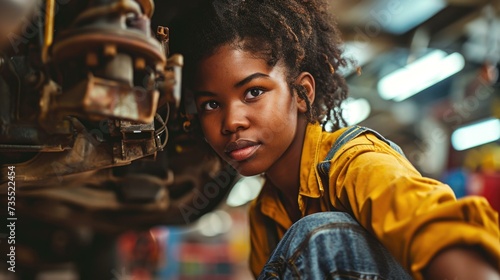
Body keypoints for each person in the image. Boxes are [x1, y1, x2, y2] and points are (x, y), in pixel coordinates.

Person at [169, 0, 500, 279]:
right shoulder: (263, 218)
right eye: (211, 104)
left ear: (302, 93)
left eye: (254, 92)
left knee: (320, 237)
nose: (231, 122)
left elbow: (443, 233)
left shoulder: (357, 163)